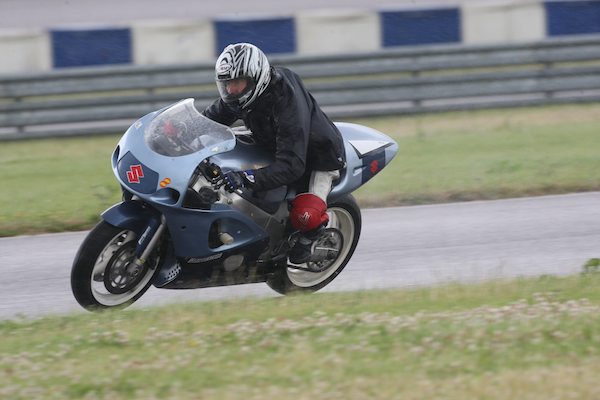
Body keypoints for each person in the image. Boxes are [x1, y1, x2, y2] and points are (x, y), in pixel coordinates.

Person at [202, 42, 346, 264]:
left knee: (305, 217)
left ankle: (312, 236)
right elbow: (209, 121)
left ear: (255, 79)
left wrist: (246, 177)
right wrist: (179, 130)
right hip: (272, 143)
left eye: (236, 83)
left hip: (315, 157)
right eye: (227, 84)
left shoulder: (286, 101)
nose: (230, 90)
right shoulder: (241, 95)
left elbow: (292, 165)